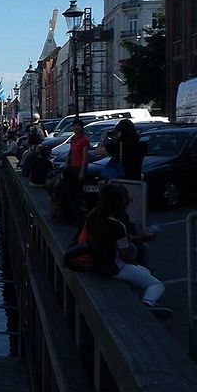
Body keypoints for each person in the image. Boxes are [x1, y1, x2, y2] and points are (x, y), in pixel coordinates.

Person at [84, 185, 168, 315]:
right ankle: (148, 304)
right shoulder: (117, 225)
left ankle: (137, 298)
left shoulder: (93, 218)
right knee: (156, 285)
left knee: (144, 271)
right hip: (115, 268)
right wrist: (134, 263)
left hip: (98, 265)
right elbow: (125, 254)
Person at [60, 118, 88, 224]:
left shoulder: (84, 140)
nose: (76, 128)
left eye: (78, 126)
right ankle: (70, 214)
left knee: (77, 192)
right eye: (74, 126)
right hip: (72, 167)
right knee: (70, 191)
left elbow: (85, 157)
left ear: (81, 128)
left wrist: (82, 171)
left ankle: (78, 216)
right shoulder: (73, 139)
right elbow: (70, 152)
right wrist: (66, 163)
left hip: (79, 167)